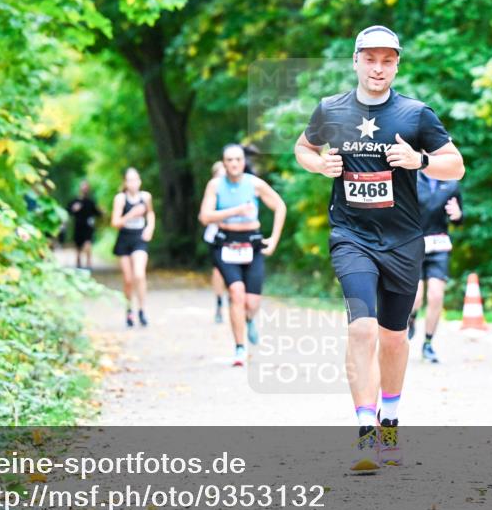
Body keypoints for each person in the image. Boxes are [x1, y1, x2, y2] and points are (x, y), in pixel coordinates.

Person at [294, 25, 464, 472]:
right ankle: (366, 430)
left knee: (394, 337)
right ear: (355, 60)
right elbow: (303, 148)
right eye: (370, 58)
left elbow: (456, 165)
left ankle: (390, 420)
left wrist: (420, 160)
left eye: (388, 60)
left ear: (397, 65)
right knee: (362, 329)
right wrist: (319, 164)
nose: (378, 68)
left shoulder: (415, 114)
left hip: (404, 241)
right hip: (351, 236)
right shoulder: (330, 109)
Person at [199, 144, 286, 367]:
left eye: (238, 159)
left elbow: (279, 206)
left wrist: (273, 239)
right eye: (229, 160)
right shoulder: (215, 185)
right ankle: (239, 348)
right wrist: (235, 211)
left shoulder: (254, 184)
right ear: (224, 162)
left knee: (251, 301)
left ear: (243, 161)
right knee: (236, 293)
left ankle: (248, 319)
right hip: (225, 244)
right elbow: (205, 216)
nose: (234, 163)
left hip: (252, 244)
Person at [408, 174, 463, 363]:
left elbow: (457, 217)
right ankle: (410, 318)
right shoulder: (411, 177)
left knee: (436, 296)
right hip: (413, 244)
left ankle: (428, 344)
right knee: (415, 297)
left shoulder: (451, 183)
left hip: (439, 245)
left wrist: (458, 215)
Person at [111, 168, 155, 328]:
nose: (133, 183)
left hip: (139, 239)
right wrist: (131, 215)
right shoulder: (120, 199)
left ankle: (142, 310)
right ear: (125, 183)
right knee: (128, 279)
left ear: (140, 181)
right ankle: (129, 309)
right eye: (129, 180)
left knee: (139, 273)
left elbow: (150, 214)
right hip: (124, 239)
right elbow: (115, 222)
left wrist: (150, 228)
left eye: (136, 179)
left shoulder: (145, 197)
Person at [204, 161, 227, 323]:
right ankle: (219, 302)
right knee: (218, 271)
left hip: (239, 236)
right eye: (219, 174)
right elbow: (205, 216)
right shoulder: (212, 191)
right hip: (216, 236)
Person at [67, 181, 102, 269]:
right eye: (83, 187)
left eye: (86, 187)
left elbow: (97, 213)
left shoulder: (91, 202)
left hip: (88, 226)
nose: (84, 189)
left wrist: (101, 211)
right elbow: (68, 211)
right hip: (78, 226)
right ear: (80, 188)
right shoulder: (74, 201)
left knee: (88, 243)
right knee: (78, 245)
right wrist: (74, 209)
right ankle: (78, 262)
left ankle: (88, 263)